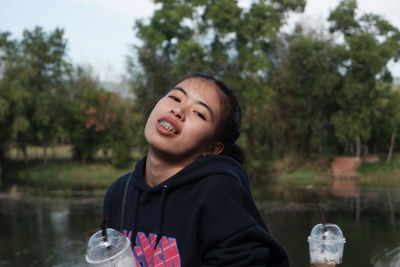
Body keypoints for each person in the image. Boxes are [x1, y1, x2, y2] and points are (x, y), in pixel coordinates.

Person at [102, 73, 289, 266]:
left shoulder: (218, 192)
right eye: (175, 98)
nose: (178, 110)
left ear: (212, 148)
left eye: (198, 113)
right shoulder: (119, 193)